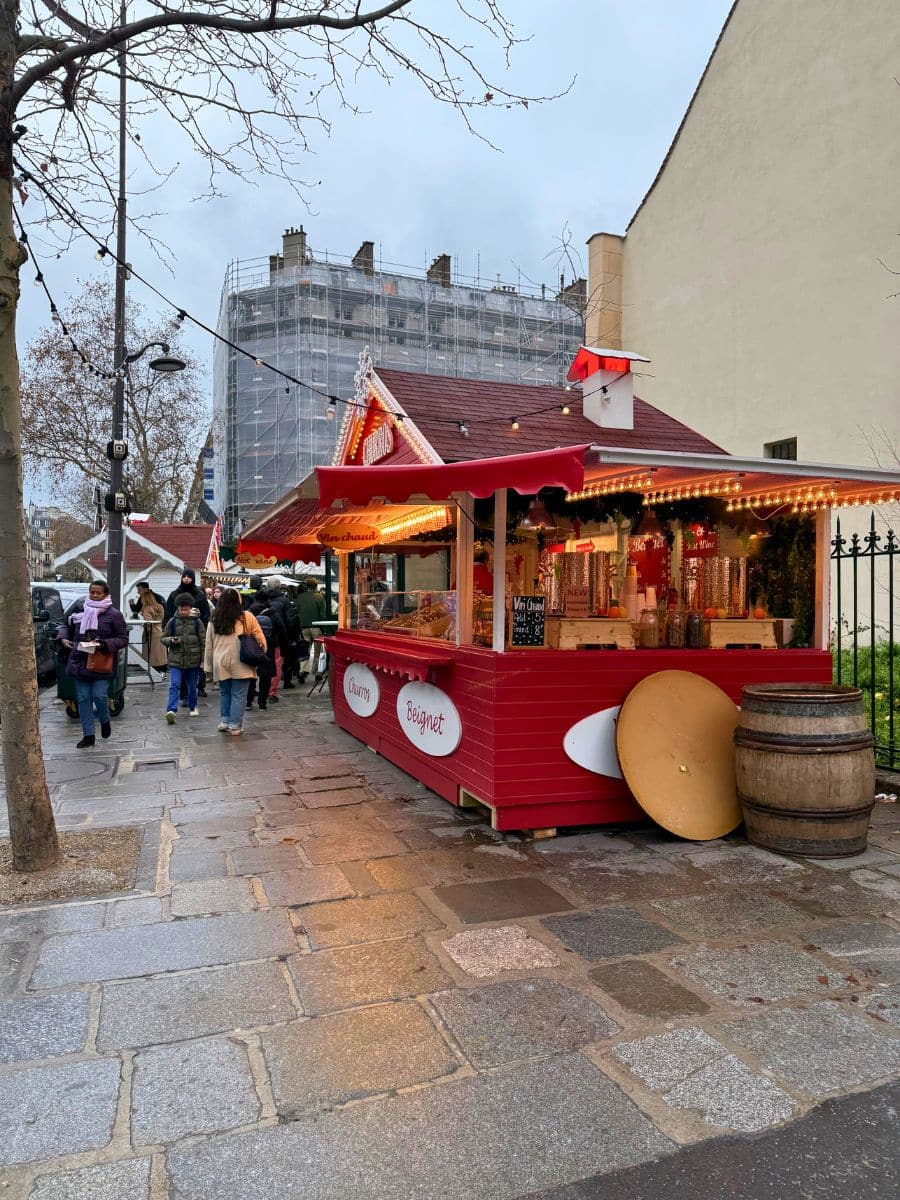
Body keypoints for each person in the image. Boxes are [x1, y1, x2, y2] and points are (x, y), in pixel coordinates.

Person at [57, 579, 128, 749]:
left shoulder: (114, 615)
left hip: (101, 662)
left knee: (99, 696)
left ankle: (104, 721)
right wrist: (63, 638)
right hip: (79, 660)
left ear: (105, 594)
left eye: (98, 593)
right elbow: (65, 624)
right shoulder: (79, 609)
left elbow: (122, 638)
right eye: (92, 592)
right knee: (82, 699)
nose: (95, 595)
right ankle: (88, 735)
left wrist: (105, 644)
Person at [203, 587, 266, 736]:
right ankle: (235, 725)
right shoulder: (247, 616)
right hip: (241, 660)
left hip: (220, 660)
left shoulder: (214, 618)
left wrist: (208, 666)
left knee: (225, 692)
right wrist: (261, 652)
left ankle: (225, 721)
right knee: (238, 694)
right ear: (239, 600)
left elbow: (209, 643)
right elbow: (259, 637)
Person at [164, 568, 210, 698]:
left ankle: (200, 687)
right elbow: (168, 614)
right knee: (180, 663)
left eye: (188, 577)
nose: (186, 579)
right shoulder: (174, 595)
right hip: (178, 633)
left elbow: (206, 614)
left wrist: (201, 627)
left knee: (198, 661)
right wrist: (167, 630)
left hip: (195, 632)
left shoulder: (200, 595)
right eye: (184, 577)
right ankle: (183, 691)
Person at [161, 593, 206, 722]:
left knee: (192, 686)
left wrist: (203, 659)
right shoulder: (173, 621)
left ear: (191, 608)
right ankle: (171, 710)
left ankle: (193, 706)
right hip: (176, 659)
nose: (184, 612)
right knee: (174, 685)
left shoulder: (197, 622)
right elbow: (163, 638)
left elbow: (204, 641)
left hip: (193, 660)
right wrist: (171, 640)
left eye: (186, 609)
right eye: (181, 609)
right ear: (178, 608)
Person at [293, 579, 325, 680]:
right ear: (316, 586)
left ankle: (303, 670)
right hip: (316, 627)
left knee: (304, 650)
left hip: (303, 628)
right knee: (317, 651)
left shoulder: (300, 597)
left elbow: (297, 612)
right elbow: (323, 614)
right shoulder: (319, 597)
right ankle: (317, 673)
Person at [246, 610, 276, 711]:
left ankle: (248, 702)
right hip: (266, 659)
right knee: (265, 680)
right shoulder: (271, 639)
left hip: (253, 659)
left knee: (251, 679)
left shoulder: (251, 638)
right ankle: (262, 704)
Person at [136, 586, 168, 674]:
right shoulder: (160, 606)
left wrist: (146, 632)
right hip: (160, 631)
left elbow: (148, 623)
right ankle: (163, 671)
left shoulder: (147, 609)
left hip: (152, 634)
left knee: (152, 655)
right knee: (161, 655)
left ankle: (153, 672)